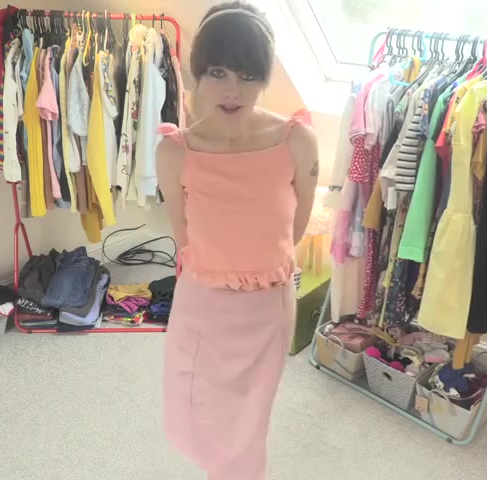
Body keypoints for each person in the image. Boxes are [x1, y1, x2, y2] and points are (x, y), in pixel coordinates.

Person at [156, 2, 320, 479]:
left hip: (267, 305)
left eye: (248, 76)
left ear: (265, 77)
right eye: (218, 72)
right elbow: (183, 233)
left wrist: (260, 266)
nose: (232, 90)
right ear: (197, 73)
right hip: (203, 304)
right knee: (202, 413)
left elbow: (297, 222)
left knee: (250, 424)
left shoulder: (296, 141)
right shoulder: (175, 150)